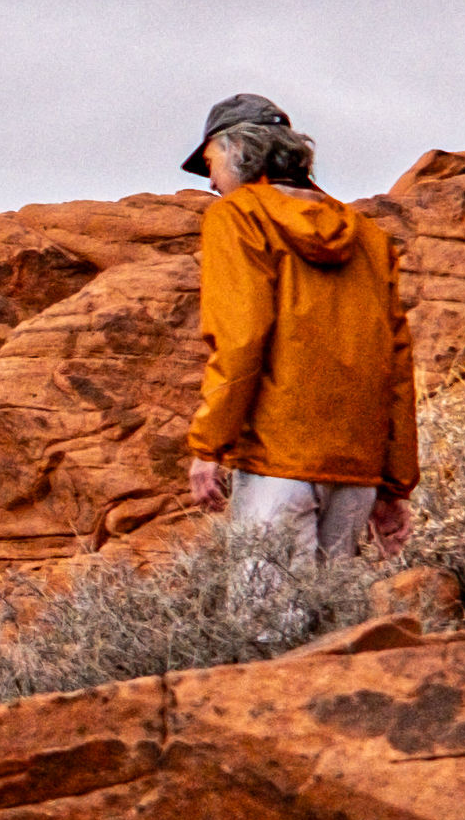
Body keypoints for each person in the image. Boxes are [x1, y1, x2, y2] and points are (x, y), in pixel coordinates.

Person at [172, 93, 412, 562]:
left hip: (275, 460)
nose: (214, 184)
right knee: (333, 624)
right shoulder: (368, 237)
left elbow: (241, 336)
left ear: (237, 151)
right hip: (356, 469)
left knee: (267, 630)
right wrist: (394, 482)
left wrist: (208, 446)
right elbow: (398, 365)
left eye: (210, 164)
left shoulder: (238, 216)